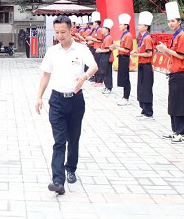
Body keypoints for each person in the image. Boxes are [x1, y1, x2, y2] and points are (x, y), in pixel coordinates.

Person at [35, 16, 98, 195]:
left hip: (76, 100)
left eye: (63, 32)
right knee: (59, 140)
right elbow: (46, 75)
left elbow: (94, 66)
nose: (60, 35)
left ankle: (71, 168)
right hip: (56, 100)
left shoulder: (81, 49)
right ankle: (57, 180)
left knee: (74, 137)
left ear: (71, 30)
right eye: (57, 32)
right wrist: (39, 97)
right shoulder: (52, 51)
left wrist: (84, 77)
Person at [156, 2, 184, 143]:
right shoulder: (176, 36)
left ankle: (182, 133)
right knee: (174, 104)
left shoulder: (182, 36)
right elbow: (173, 56)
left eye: (173, 21)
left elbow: (181, 56)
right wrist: (164, 51)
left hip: (180, 74)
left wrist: (166, 49)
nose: (170, 24)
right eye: (169, 21)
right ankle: (175, 130)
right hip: (174, 74)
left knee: (180, 104)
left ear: (179, 21)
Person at [130, 11, 155, 119]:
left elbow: (149, 53)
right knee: (141, 88)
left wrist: (137, 54)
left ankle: (148, 112)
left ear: (146, 26)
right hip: (141, 65)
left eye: (140, 25)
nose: (138, 26)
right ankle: (144, 110)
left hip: (146, 66)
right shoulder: (142, 37)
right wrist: (136, 52)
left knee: (146, 88)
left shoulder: (147, 38)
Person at [111, 13, 133, 105]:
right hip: (121, 57)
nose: (119, 26)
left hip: (125, 57)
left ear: (126, 25)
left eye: (120, 24)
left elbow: (126, 49)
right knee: (123, 77)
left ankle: (126, 97)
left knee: (125, 77)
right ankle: (124, 96)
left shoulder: (128, 35)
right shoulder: (124, 35)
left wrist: (116, 47)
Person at [96, 18, 114, 94]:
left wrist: (100, 50)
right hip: (104, 57)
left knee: (107, 73)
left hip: (108, 58)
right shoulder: (106, 37)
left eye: (103, 28)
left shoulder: (108, 38)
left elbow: (108, 49)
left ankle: (109, 87)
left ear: (107, 29)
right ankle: (106, 86)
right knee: (105, 72)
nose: (102, 30)